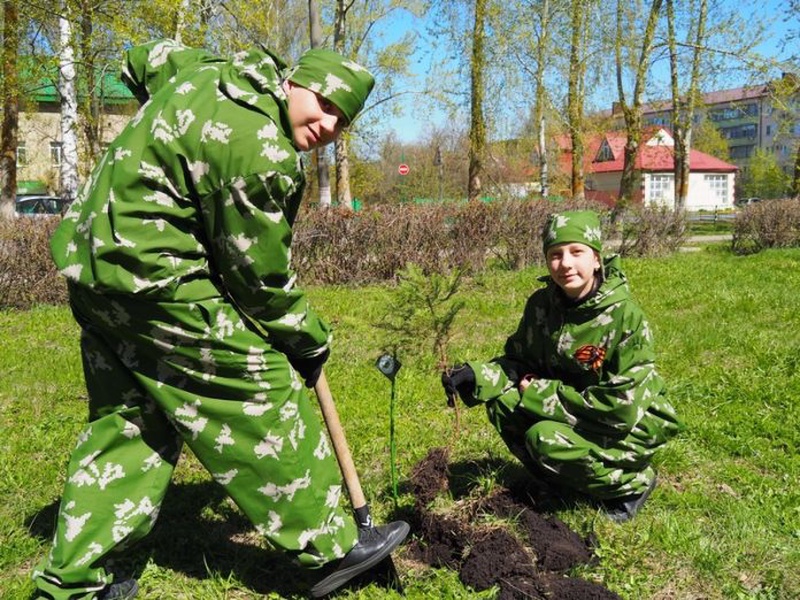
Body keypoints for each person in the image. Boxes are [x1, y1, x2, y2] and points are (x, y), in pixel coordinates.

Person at [33, 39, 408, 600]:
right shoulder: (262, 152)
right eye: (326, 104)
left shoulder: (210, 71)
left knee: (132, 421)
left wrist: (156, 134)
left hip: (92, 265)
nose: (329, 126)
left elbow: (144, 57)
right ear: (297, 80)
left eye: (342, 120)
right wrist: (307, 341)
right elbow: (258, 280)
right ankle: (330, 547)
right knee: (258, 387)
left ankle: (75, 584)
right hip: (155, 280)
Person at [442, 210, 683, 522]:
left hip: (628, 426)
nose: (565, 264)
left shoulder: (625, 318)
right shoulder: (542, 305)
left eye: (577, 252)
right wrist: (475, 374)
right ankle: (563, 481)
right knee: (501, 403)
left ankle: (630, 486)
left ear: (597, 259)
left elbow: (619, 409)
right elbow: (519, 361)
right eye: (555, 254)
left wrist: (539, 393)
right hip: (572, 412)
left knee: (543, 438)